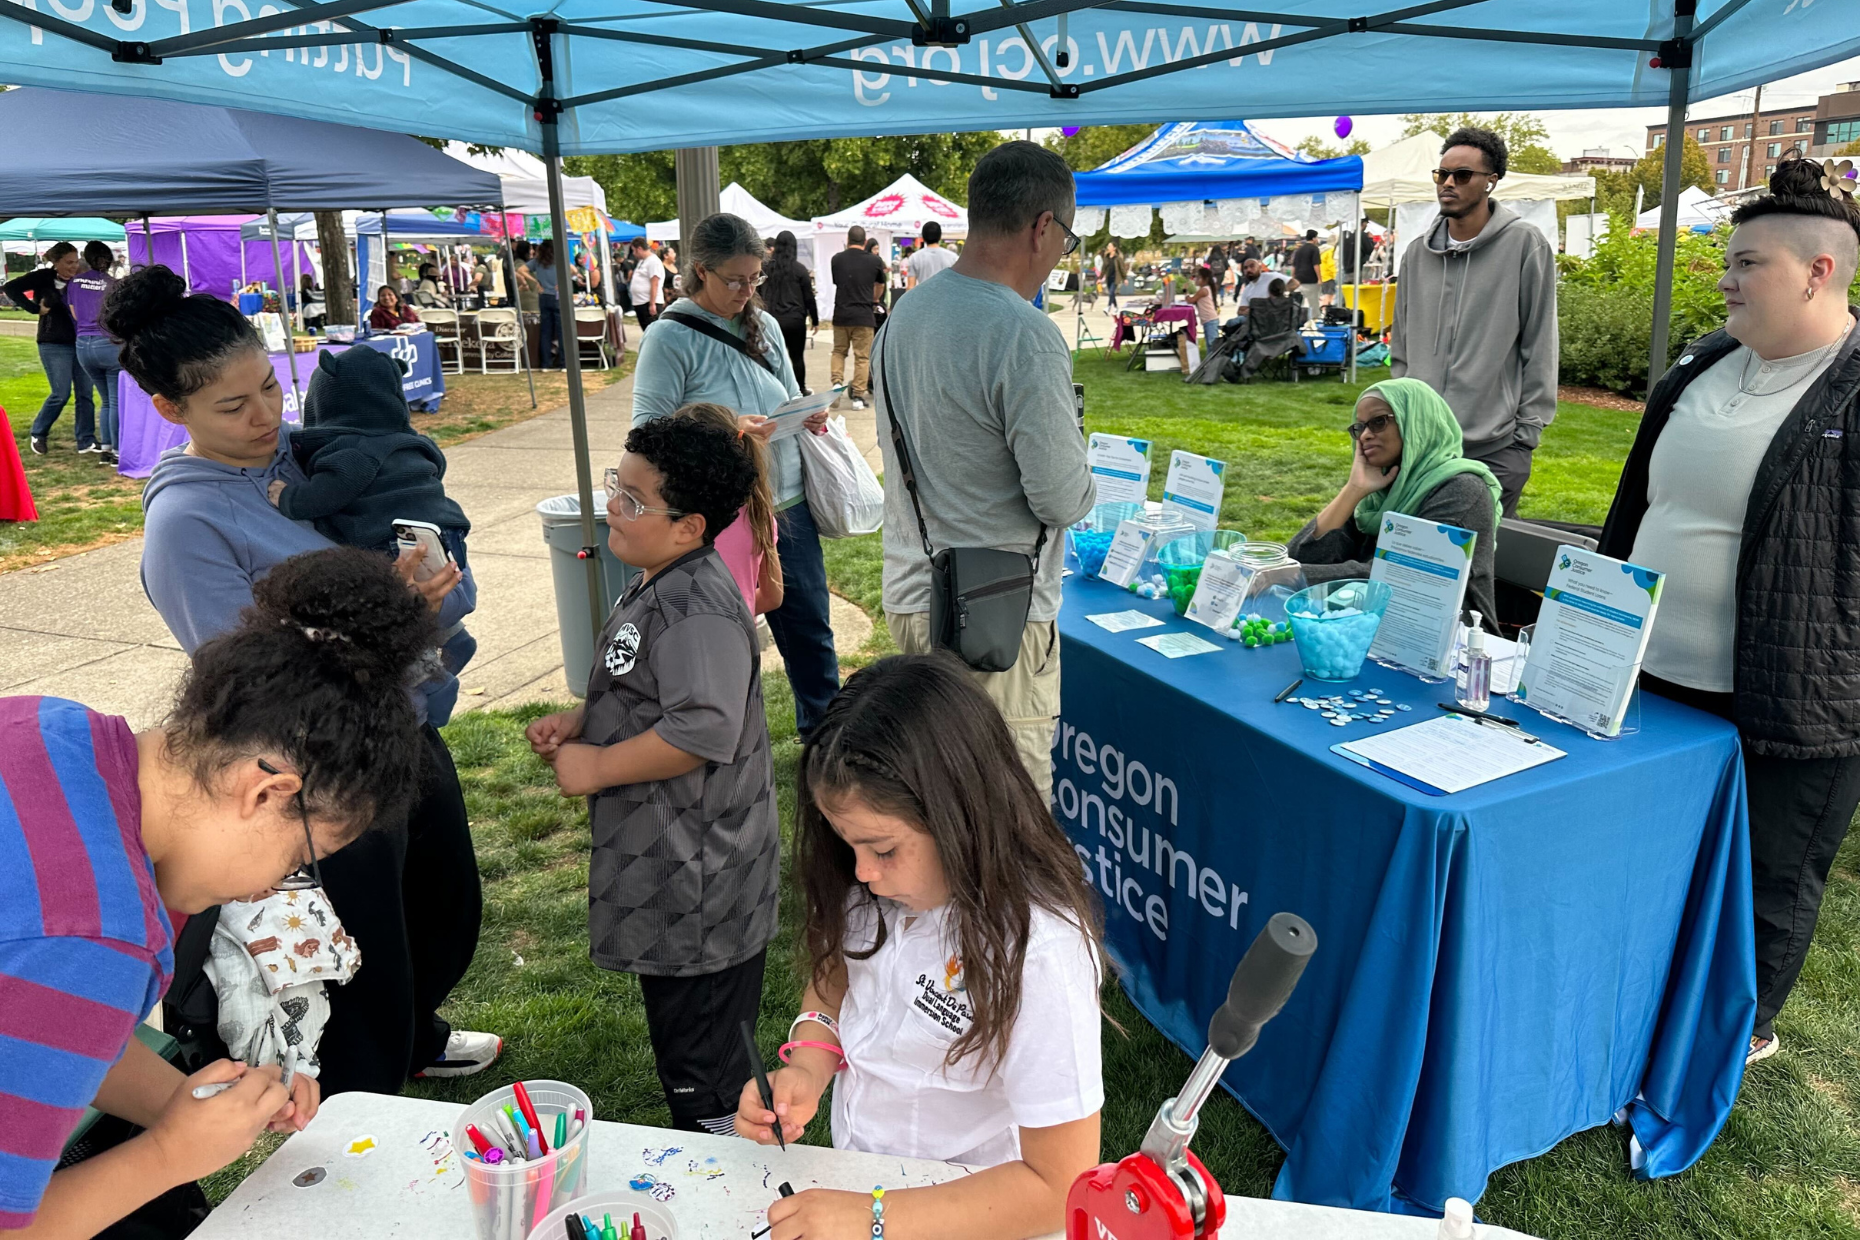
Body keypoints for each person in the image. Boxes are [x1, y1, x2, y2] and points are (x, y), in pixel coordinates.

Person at [114, 266, 499, 1093]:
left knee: (444, 913)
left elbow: (425, 542)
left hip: (403, 726)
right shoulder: (188, 520)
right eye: (233, 406)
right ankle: (367, 1106)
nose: (265, 420)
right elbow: (260, 684)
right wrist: (396, 614)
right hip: (314, 772)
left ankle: (411, 1037)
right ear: (168, 410)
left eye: (269, 388)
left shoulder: (311, 455)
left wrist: (434, 584)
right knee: (363, 959)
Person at [0, 546, 441, 1237]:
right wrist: (171, 1155)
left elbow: (52, 1030)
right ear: (267, 793)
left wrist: (189, 1102)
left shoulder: (51, 729)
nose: (272, 885)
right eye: (302, 856)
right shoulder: (97, 934)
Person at [1597, 153, 1860, 1067]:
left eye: (1749, 263)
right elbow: (1641, 504)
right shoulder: (1707, 361)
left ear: (1818, 271)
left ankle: (1739, 1032)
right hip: (1653, 668)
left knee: (1768, 879)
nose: (1725, 277)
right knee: (1656, 851)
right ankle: (1647, 993)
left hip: (1796, 696)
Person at [736, 654, 1105, 1240]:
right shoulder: (879, 888)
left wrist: (872, 1217)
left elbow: (1062, 1183)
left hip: (969, 1216)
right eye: (846, 843)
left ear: (962, 816)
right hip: (864, 1184)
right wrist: (809, 1060)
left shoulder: (1038, 952)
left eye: (883, 850)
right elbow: (838, 979)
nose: (861, 873)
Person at [526, 412, 779, 1135]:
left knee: (704, 1065)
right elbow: (653, 686)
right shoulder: (657, 577)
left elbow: (703, 726)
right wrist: (587, 720)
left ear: (690, 526)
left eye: (634, 500)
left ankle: (727, 1167)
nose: (613, 506)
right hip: (676, 868)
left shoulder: (697, 606)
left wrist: (599, 764)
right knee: (687, 1039)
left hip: (700, 882)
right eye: (617, 487)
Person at [873, 140, 1094, 803]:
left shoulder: (905, 315)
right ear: (1043, 227)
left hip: (917, 592)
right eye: (1068, 239)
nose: (1061, 254)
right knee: (1011, 820)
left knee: (942, 799)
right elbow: (1059, 497)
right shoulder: (1022, 333)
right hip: (999, 616)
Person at [631, 212, 840, 739]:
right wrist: (727, 428)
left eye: (756, 278)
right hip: (721, 518)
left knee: (810, 631)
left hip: (785, 504)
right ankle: (724, 747)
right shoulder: (668, 337)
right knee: (721, 641)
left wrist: (806, 413)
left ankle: (828, 738)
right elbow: (645, 432)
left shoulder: (764, 325)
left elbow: (786, 394)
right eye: (736, 280)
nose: (748, 290)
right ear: (700, 271)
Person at [265, 346, 477, 677]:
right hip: (444, 531)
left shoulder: (352, 451)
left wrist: (290, 498)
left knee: (400, 604)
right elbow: (437, 467)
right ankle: (454, 638)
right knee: (438, 592)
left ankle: (423, 672)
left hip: (391, 541)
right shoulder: (413, 442)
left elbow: (328, 493)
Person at [1390, 127, 1557, 518]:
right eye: (1442, 174)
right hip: (1420, 447)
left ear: (1490, 182)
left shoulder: (1524, 245)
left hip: (1494, 448)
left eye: (1462, 175)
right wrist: (1400, 419)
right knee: (1411, 563)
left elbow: (1541, 342)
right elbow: (1401, 345)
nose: (1448, 183)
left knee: (1477, 570)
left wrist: (1524, 437)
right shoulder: (1417, 254)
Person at [1287, 379, 1502, 623]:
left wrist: (1290, 574)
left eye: (1378, 422)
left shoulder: (1461, 489)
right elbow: (1301, 557)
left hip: (1450, 641)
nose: (1365, 436)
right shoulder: (1379, 490)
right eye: (1360, 427)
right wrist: (1353, 490)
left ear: (1418, 424)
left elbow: (1404, 578)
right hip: (1362, 621)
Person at [681, 402, 783, 616]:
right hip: (740, 641)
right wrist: (737, 611)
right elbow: (772, 597)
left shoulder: (672, 520)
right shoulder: (757, 512)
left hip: (681, 641)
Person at [4, 241, 96, 457]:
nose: (73, 267)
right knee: (60, 393)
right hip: (53, 342)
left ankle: (86, 439)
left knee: (85, 393)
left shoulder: (81, 278)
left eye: (75, 262)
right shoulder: (44, 277)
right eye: (68, 262)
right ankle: (39, 432)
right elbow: (10, 288)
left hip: (80, 341)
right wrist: (34, 309)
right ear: (56, 262)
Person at [69, 240, 123, 466]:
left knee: (105, 400)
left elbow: (74, 313)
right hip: (108, 343)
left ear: (86, 258)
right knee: (115, 401)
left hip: (83, 344)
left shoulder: (74, 282)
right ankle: (118, 451)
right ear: (109, 259)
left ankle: (106, 448)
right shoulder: (114, 285)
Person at [830, 225, 886, 410]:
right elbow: (880, 285)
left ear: (848, 240)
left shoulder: (836, 260)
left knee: (839, 351)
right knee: (862, 357)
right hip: (863, 315)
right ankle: (857, 397)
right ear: (865, 241)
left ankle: (837, 383)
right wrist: (875, 298)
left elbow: (839, 282)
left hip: (841, 314)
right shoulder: (875, 261)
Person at [761, 230, 819, 393]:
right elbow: (809, 297)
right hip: (795, 320)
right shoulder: (800, 270)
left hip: (772, 319)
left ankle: (775, 390)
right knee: (797, 357)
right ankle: (800, 389)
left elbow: (758, 293)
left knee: (772, 359)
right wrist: (814, 320)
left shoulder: (766, 269)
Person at [531, 240, 563, 368]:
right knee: (561, 332)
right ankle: (563, 363)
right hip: (557, 297)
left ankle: (546, 364)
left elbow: (520, 270)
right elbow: (573, 270)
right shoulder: (559, 260)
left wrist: (536, 283)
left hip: (543, 296)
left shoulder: (537, 262)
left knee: (545, 332)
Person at [906, 220, 958, 292]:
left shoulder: (914, 257)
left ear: (923, 237)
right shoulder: (953, 257)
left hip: (923, 298)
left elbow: (910, 287)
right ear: (940, 236)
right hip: (946, 299)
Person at [629, 236, 665, 332]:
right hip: (640, 302)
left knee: (652, 331)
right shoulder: (642, 261)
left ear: (639, 249)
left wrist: (652, 303)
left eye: (634, 251)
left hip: (648, 302)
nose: (633, 254)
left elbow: (654, 283)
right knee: (646, 330)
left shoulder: (653, 261)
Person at [1291, 229, 1323, 323]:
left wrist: (1293, 278)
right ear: (1314, 238)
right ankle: (1315, 320)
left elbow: (1294, 265)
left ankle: (1297, 320)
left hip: (1298, 279)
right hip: (1310, 279)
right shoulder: (1314, 249)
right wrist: (1319, 279)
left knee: (1298, 302)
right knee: (1313, 302)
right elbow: (1316, 265)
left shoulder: (1299, 249)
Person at [1189, 266, 1219, 343]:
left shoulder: (1203, 290)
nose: (1196, 279)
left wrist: (1185, 291)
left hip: (1210, 320)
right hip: (1207, 320)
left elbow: (1191, 300)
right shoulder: (1205, 289)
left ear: (1205, 279)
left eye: (1198, 277)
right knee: (1209, 343)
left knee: (1212, 344)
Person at [1101, 241, 1124, 310]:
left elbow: (1122, 268)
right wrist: (1100, 278)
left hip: (1116, 278)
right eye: (1108, 246)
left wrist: (1124, 278)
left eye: (1110, 246)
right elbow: (1104, 269)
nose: (1108, 247)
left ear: (1114, 248)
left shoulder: (1118, 258)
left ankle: (1108, 307)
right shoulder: (1106, 257)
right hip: (1108, 278)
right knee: (1112, 294)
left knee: (1111, 292)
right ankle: (1116, 307)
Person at [1206, 242, 1229, 307]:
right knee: (1218, 287)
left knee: (1212, 288)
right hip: (1220, 274)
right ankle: (1218, 301)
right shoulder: (1222, 257)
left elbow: (1206, 266)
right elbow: (1227, 266)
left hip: (1212, 274)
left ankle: (1213, 301)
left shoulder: (1210, 257)